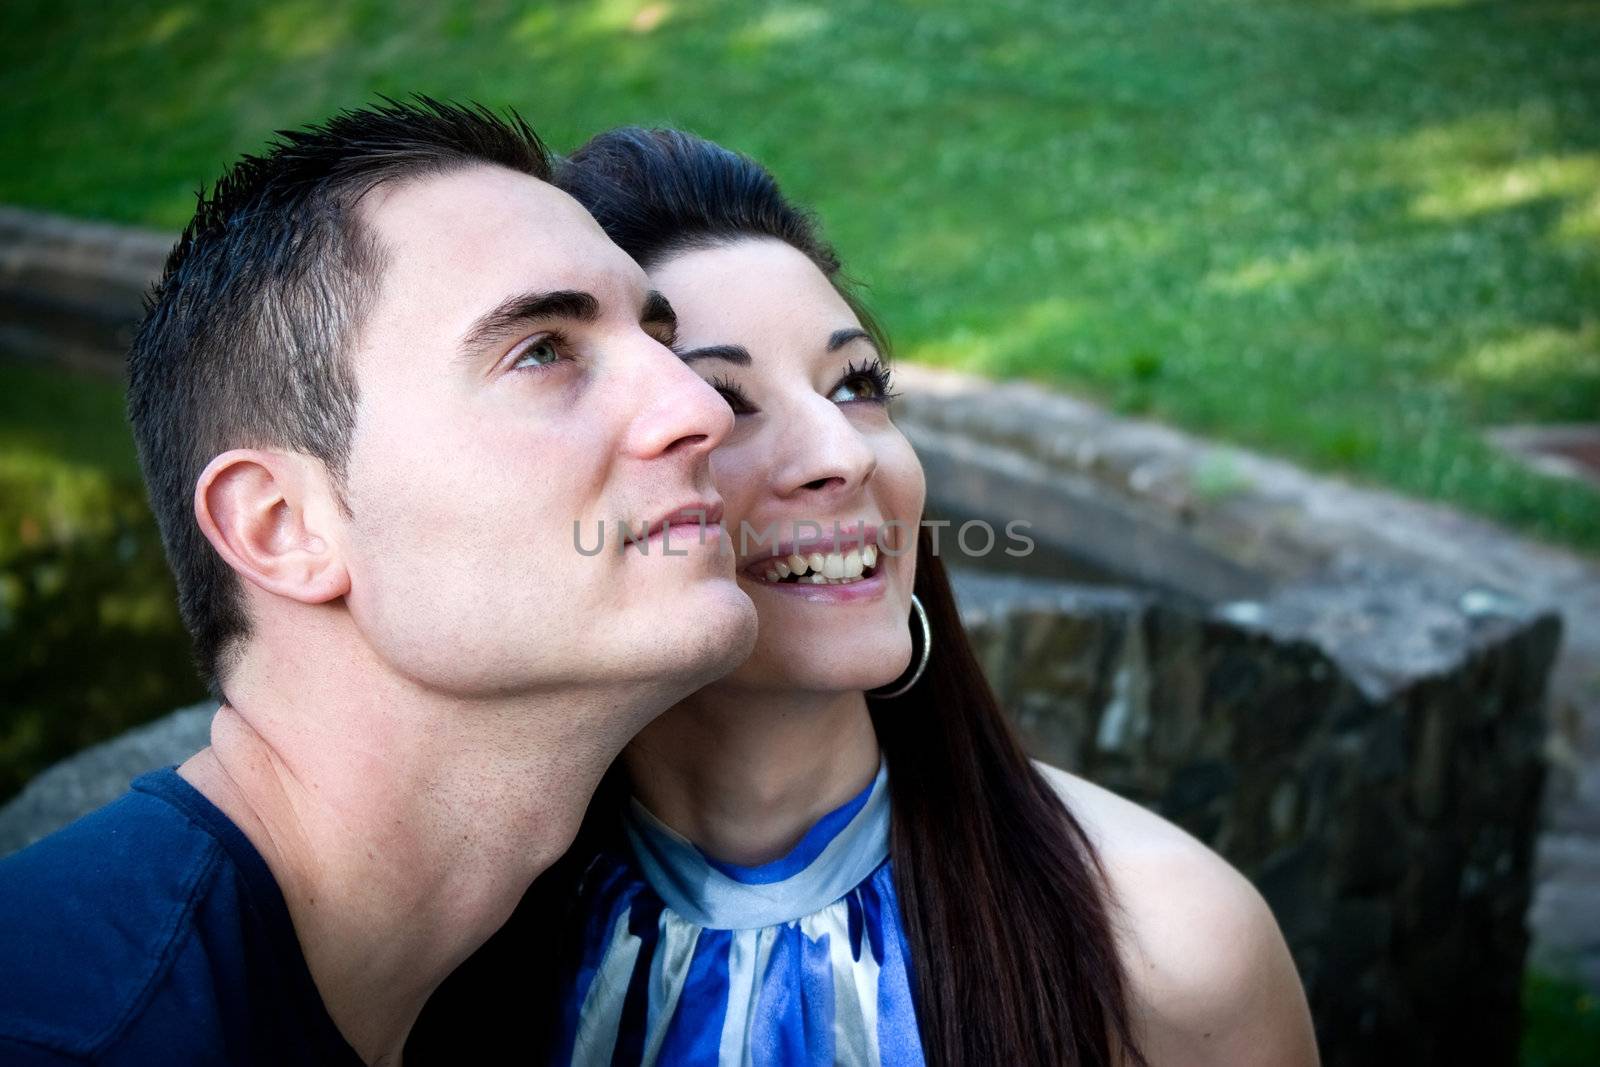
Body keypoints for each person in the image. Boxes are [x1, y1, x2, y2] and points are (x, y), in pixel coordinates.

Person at [412, 128, 1321, 1066]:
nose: (843, 456)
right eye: (721, 401)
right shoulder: (425, 950)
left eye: (856, 385)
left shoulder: (1170, 948)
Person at [0, 101, 757, 1065]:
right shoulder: (74, 1036)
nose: (699, 407)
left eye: (661, 343)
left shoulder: (471, 986)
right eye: (542, 351)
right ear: (283, 528)